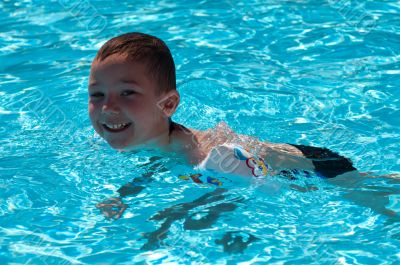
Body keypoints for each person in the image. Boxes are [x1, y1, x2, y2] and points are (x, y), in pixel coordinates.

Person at [89, 32, 398, 221]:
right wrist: (124, 195)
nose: (108, 107)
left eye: (127, 93)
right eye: (97, 94)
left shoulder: (205, 154)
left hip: (312, 165)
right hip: (283, 166)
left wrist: (178, 214)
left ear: (168, 105)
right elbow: (155, 165)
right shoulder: (160, 139)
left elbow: (239, 190)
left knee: (378, 200)